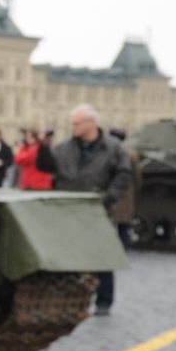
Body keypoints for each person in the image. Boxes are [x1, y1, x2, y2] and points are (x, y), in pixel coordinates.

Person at [38, 104, 133, 312]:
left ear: (91, 123)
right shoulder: (64, 148)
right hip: (69, 207)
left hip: (98, 208)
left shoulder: (113, 147)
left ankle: (104, 301)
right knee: (65, 255)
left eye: (77, 123)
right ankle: (65, 298)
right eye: (72, 123)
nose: (73, 127)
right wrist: (44, 145)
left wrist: (109, 198)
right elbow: (45, 167)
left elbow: (124, 175)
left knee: (102, 256)